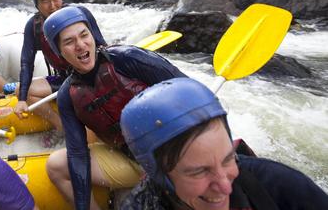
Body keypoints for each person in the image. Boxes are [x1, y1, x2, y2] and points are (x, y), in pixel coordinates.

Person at [42, 6, 186, 210]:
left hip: (172, 153)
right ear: (60, 52)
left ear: (92, 34)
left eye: (84, 35)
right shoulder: (67, 95)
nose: (80, 45)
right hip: (129, 160)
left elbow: (186, 88)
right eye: (69, 42)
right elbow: (78, 154)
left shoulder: (127, 58)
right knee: (57, 164)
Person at [120, 77, 328, 209]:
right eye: (199, 171)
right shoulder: (141, 205)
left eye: (228, 159)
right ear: (159, 175)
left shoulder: (276, 182)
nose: (225, 186)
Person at [5, 0, 106, 139]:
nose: (52, 6)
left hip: (91, 76)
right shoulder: (34, 26)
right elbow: (26, 63)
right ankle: (61, 126)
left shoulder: (79, 14)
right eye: (45, 1)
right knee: (19, 90)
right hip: (64, 79)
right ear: (36, 3)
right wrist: (22, 99)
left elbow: (101, 45)